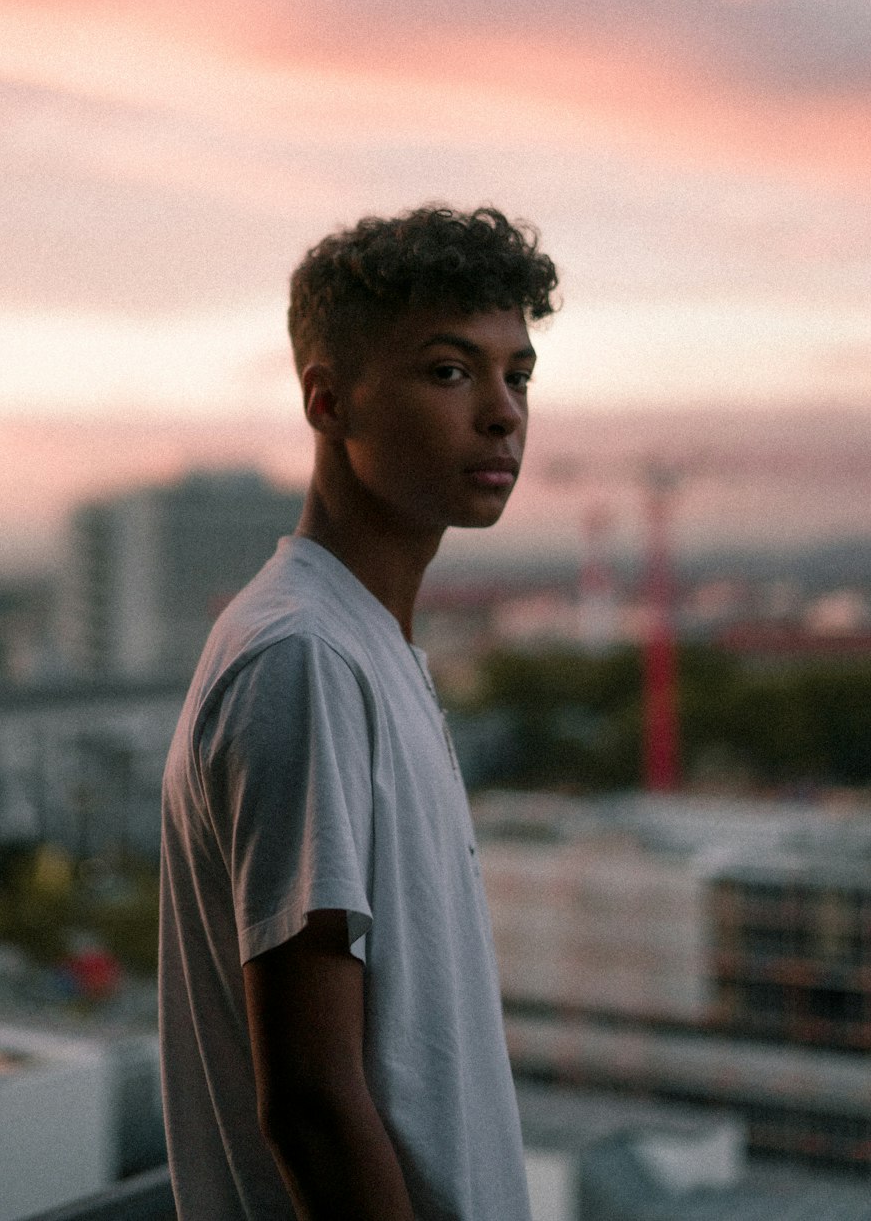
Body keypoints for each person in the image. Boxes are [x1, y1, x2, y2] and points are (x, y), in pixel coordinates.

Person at [159, 205, 559, 1220]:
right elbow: (312, 1102)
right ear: (327, 399)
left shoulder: (363, 648)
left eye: (517, 373)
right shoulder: (305, 657)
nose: (503, 410)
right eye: (448, 370)